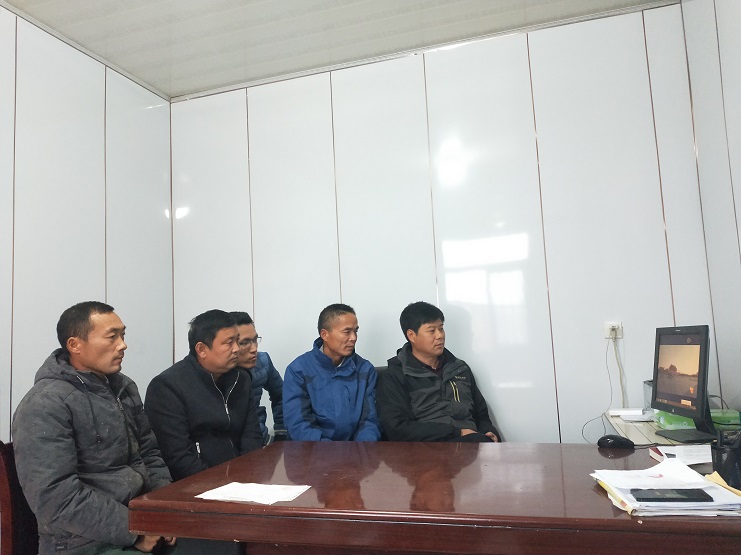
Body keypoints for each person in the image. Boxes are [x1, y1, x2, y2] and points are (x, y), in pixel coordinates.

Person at [12, 301, 176, 554]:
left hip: (142, 521)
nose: (123, 345)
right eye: (112, 337)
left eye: (123, 335)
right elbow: (55, 497)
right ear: (75, 345)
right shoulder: (45, 403)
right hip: (82, 542)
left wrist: (164, 512)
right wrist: (134, 531)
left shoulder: (124, 388)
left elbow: (150, 454)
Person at [145, 309, 262, 481]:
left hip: (241, 481)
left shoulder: (241, 379)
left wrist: (247, 477)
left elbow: (252, 437)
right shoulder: (167, 387)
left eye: (237, 341)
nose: (237, 349)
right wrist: (219, 485)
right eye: (229, 343)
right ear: (202, 349)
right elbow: (178, 457)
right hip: (195, 484)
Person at [377, 301, 501, 442]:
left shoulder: (459, 369)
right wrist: (457, 432)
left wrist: (489, 431)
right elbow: (398, 429)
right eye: (432, 331)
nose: (440, 335)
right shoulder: (395, 376)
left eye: (441, 329)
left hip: (472, 444)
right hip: (429, 447)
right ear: (411, 335)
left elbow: (481, 415)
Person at [283, 303, 381, 441]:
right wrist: (332, 451)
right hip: (314, 451)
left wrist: (361, 449)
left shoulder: (365, 369)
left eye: (356, 331)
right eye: (347, 332)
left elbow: (370, 422)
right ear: (325, 334)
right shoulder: (298, 370)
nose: (353, 338)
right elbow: (299, 426)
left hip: (357, 451)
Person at [230, 311, 288, 444]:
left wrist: (281, 432)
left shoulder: (263, 361)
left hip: (261, 439)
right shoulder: (218, 372)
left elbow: (281, 394)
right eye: (244, 342)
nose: (254, 348)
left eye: (255, 340)